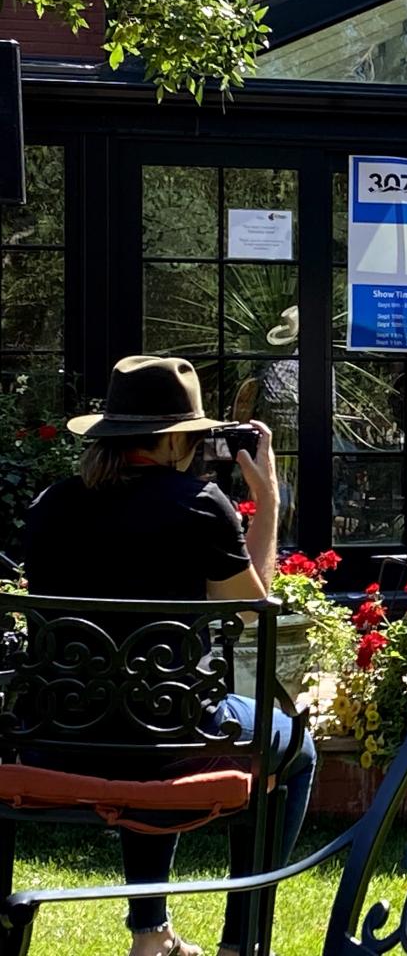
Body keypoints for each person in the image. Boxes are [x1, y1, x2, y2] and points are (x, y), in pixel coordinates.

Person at [23, 355, 317, 956]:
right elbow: (249, 613)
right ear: (179, 438)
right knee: (295, 750)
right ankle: (241, 942)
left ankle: (151, 935)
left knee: (145, 709)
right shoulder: (200, 506)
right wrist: (268, 505)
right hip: (163, 734)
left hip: (56, 734)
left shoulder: (50, 505)